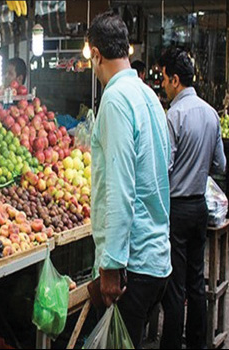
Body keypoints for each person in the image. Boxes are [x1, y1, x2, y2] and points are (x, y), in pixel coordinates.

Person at [88, 11, 172, 349]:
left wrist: (110, 264)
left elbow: (121, 187)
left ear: (96, 54)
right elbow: (164, 166)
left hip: (129, 268)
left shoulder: (115, 99)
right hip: (156, 258)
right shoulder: (148, 95)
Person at [159, 47, 226, 350]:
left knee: (175, 288)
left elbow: (164, 165)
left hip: (177, 209)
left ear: (175, 79)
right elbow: (220, 165)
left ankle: (171, 344)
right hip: (200, 206)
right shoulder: (211, 114)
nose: (162, 85)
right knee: (196, 282)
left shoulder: (175, 115)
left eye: (163, 79)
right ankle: (198, 343)